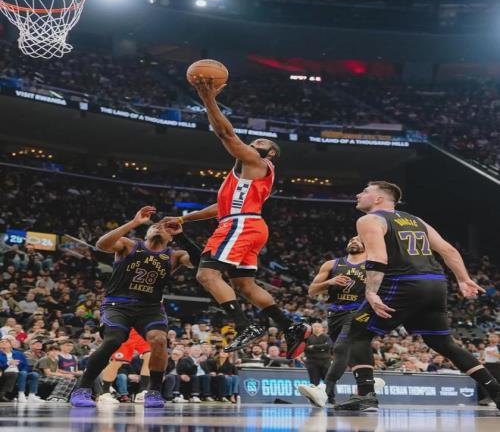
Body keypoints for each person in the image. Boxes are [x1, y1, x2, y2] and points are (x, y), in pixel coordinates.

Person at [164, 78, 310, 359]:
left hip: (241, 224)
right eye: (252, 142)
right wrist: (184, 220)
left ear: (270, 154)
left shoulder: (257, 162)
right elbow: (219, 208)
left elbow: (225, 133)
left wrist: (207, 98)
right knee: (244, 285)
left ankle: (244, 325)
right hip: (247, 223)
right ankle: (290, 327)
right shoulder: (244, 179)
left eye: (259, 143)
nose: (253, 144)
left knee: (206, 274)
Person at [334, 181, 500, 411]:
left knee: (355, 333)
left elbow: (378, 258)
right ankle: (496, 391)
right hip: (435, 283)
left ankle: (365, 394)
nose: (358, 194)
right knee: (442, 343)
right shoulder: (416, 221)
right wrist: (463, 279)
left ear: (379, 199)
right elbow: (448, 250)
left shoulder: (369, 219)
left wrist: (371, 291)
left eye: (365, 192)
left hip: (403, 283)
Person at [70, 206, 199, 408]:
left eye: (164, 227)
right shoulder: (129, 245)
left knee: (159, 340)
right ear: (146, 232)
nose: (159, 227)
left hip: (150, 307)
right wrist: (133, 223)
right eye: (155, 226)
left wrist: (182, 236)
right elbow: (101, 244)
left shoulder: (175, 255)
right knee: (113, 340)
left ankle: (153, 391)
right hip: (118, 304)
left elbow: (200, 262)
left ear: (171, 237)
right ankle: (83, 388)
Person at [299, 236, 367, 406]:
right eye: (351, 239)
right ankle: (366, 388)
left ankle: (324, 391)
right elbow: (312, 290)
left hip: (358, 312)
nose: (354, 241)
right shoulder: (331, 264)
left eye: (358, 240)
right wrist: (330, 281)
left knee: (340, 348)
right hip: (335, 313)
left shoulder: (372, 264)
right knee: (344, 354)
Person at [98, 328, 151, 404]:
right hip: (126, 330)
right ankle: (105, 393)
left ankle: (143, 392)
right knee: (117, 360)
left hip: (142, 330)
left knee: (149, 356)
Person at [0, 335, 43, 403]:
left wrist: (20, 365)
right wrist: (8, 363)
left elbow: (25, 365)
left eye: (6, 342)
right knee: (21, 373)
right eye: (1, 342)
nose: (3, 343)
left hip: (19, 372)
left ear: (11, 344)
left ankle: (32, 395)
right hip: (5, 373)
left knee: (34, 374)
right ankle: (21, 395)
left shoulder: (19, 354)